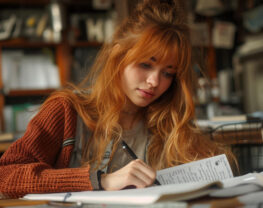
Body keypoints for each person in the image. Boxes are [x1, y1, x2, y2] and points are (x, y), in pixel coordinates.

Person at [0, 0, 237, 199]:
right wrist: (101, 180)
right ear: (118, 56)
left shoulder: (167, 125)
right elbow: (6, 177)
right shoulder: (65, 111)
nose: (155, 81)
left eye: (168, 73)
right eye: (145, 64)